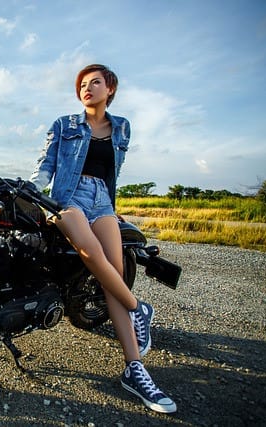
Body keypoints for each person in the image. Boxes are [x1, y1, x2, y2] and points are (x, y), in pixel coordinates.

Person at [29, 64, 176, 414]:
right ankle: (139, 308)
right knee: (91, 253)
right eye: (82, 84)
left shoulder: (122, 127)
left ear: (110, 89)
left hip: (103, 202)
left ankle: (135, 369)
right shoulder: (64, 125)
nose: (87, 88)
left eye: (95, 82)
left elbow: (113, 172)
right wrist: (32, 190)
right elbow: (45, 167)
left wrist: (113, 208)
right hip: (67, 199)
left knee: (111, 276)